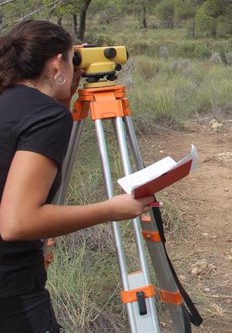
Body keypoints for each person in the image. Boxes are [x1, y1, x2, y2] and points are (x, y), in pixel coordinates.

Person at [0, 20, 153, 332]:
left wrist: (62, 96)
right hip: (11, 290)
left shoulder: (9, 102)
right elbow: (17, 223)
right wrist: (111, 210)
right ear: (58, 60)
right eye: (72, 58)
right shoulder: (47, 116)